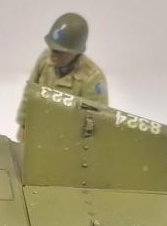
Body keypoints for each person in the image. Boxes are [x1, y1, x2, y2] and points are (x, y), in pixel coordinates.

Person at [16, 12, 108, 141]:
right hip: (39, 131)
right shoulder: (45, 60)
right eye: (51, 48)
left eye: (59, 51)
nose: (52, 54)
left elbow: (97, 122)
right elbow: (29, 93)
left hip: (68, 140)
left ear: (75, 52)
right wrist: (23, 124)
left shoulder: (92, 79)